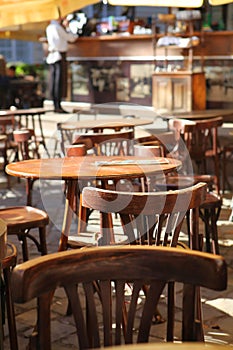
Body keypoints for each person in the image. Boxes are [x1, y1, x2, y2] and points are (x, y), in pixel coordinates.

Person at [46, 17, 78, 113]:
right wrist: (68, 27)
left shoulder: (49, 27)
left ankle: (56, 104)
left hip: (53, 56)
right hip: (59, 55)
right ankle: (57, 105)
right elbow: (71, 38)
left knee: (54, 81)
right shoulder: (57, 27)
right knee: (58, 82)